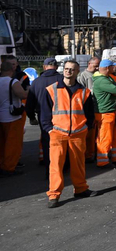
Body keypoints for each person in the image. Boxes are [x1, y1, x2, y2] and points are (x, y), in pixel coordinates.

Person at [41, 60, 98, 208]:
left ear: (77, 72)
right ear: (62, 70)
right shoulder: (52, 90)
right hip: (57, 133)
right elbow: (45, 113)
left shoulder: (84, 92)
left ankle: (80, 189)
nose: (68, 72)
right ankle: (54, 194)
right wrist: (49, 129)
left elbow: (90, 114)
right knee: (56, 166)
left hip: (78, 133)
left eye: (72, 69)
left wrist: (86, 127)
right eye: (66, 69)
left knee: (78, 164)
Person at [26, 58, 62, 166]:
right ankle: (62, 164)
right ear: (56, 67)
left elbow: (30, 102)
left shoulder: (37, 82)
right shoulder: (62, 79)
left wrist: (32, 117)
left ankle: (49, 165)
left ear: (44, 67)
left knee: (47, 140)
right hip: (61, 114)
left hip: (43, 115)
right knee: (62, 140)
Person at [0, 60, 27, 176]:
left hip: (1, 116)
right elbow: (22, 95)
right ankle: (9, 167)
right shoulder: (12, 81)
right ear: (12, 70)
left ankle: (2, 164)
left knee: (2, 143)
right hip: (12, 117)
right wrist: (30, 90)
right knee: (13, 144)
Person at [77, 56, 100, 163]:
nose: (97, 68)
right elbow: (80, 92)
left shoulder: (98, 74)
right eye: (95, 66)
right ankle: (87, 154)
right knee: (89, 132)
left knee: (95, 132)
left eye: (98, 66)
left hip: (97, 106)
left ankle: (92, 152)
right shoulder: (83, 76)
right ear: (89, 64)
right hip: (88, 106)